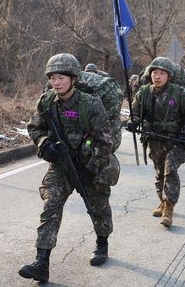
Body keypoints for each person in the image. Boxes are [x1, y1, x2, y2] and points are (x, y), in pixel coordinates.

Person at [20, 53, 118, 282]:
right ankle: (41, 262)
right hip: (61, 166)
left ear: (73, 78)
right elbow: (35, 127)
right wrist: (44, 144)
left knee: (98, 207)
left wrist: (90, 167)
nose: (56, 82)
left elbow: (105, 141)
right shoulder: (46, 102)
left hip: (89, 166)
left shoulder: (91, 104)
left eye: (61, 77)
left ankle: (102, 244)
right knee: (50, 206)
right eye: (53, 77)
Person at [128, 57, 185, 227]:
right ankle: (162, 201)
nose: (157, 76)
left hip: (176, 141)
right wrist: (134, 121)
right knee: (159, 173)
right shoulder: (143, 92)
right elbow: (136, 112)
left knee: (170, 170)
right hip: (154, 140)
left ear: (169, 76)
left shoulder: (181, 93)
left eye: (161, 73)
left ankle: (169, 208)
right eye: (154, 73)